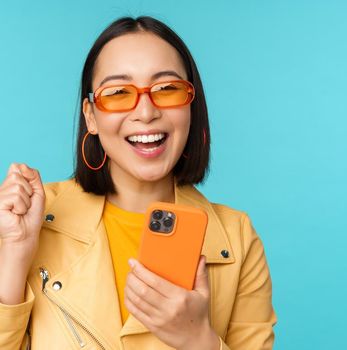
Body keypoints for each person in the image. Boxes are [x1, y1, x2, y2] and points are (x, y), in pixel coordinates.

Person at [0, 16, 276, 349]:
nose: (146, 112)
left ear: (192, 105)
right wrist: (14, 256)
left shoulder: (236, 238)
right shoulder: (28, 220)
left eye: (167, 89)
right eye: (118, 92)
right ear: (91, 116)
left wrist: (197, 339)